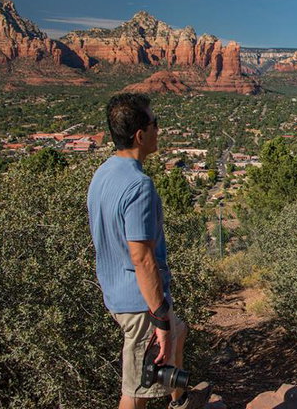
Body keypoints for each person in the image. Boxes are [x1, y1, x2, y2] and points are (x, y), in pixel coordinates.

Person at [87, 93, 211, 409]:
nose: (159, 129)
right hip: (139, 301)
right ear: (140, 135)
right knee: (136, 391)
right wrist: (158, 316)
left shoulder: (103, 173)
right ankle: (176, 398)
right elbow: (141, 257)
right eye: (155, 123)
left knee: (178, 329)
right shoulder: (139, 185)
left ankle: (179, 399)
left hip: (117, 292)